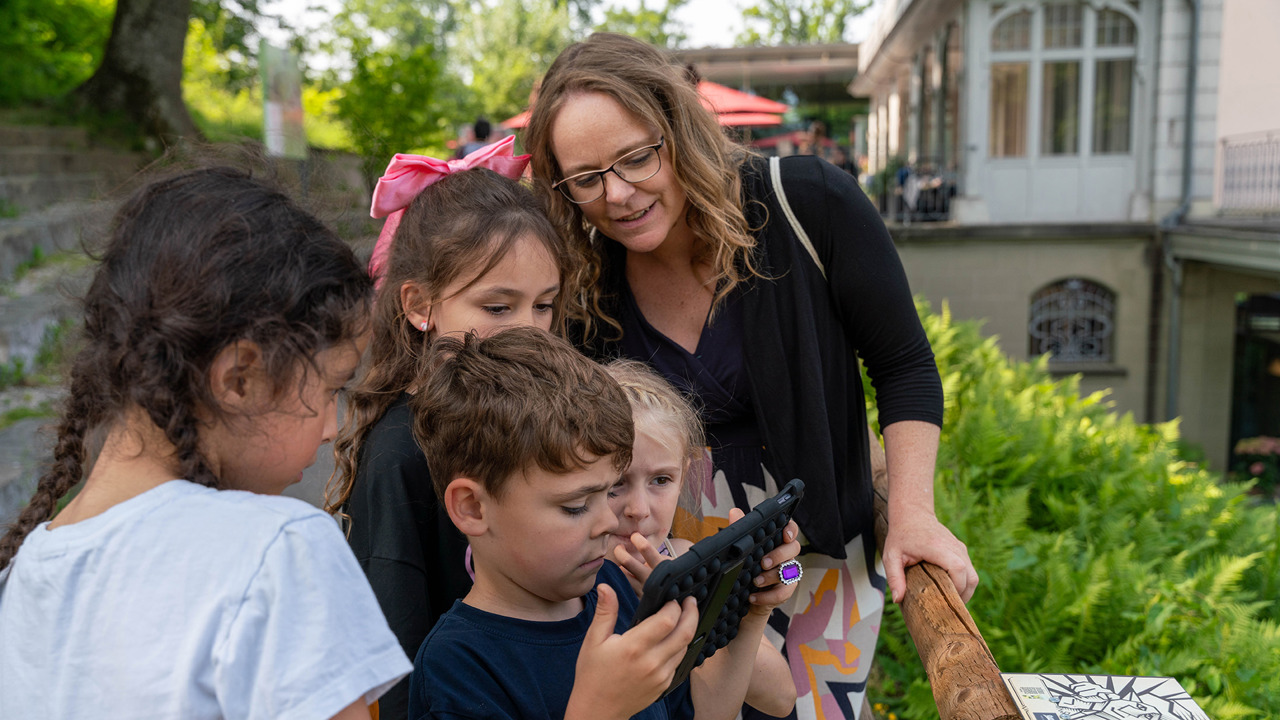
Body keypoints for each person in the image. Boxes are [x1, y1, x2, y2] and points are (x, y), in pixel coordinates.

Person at [523, 32, 979, 720]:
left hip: (815, 556)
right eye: (586, 178)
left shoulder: (805, 204)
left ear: (678, 129)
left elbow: (903, 363)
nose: (617, 194)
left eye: (637, 157)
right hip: (669, 563)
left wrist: (912, 512)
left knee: (810, 715)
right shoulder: (585, 288)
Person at [0, 166, 411, 718]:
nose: (333, 425)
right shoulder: (278, 550)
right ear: (239, 378)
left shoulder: (21, 576)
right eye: (332, 386)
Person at [405, 327, 801, 720]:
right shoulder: (456, 668)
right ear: (473, 507)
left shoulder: (618, 591)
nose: (611, 520)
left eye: (604, 493)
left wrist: (748, 612)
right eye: (577, 505)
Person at [324, 135, 566, 719]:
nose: (530, 333)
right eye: (498, 308)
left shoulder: (544, 418)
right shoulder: (401, 455)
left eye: (545, 305)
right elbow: (396, 665)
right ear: (420, 306)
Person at [604, 359, 798, 718]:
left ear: (686, 474)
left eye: (661, 480)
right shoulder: (569, 581)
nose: (639, 509)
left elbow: (781, 698)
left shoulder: (688, 562)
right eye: (617, 482)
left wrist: (751, 607)